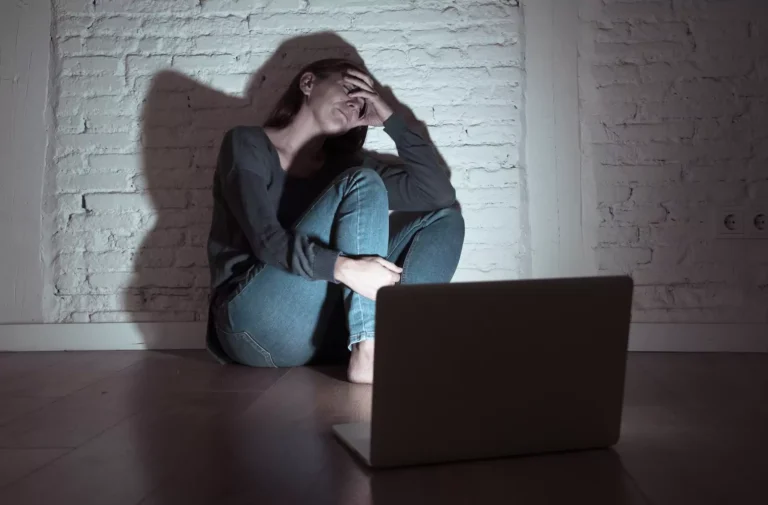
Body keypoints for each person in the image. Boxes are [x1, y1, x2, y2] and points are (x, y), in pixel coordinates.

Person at [205, 58, 465, 383]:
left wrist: (390, 119)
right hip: (254, 321)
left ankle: (392, 340)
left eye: (361, 104)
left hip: (324, 334)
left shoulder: (345, 164)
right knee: (363, 182)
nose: (354, 104)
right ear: (308, 83)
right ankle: (369, 348)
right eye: (349, 89)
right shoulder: (248, 144)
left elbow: (438, 195)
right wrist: (344, 268)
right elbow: (265, 238)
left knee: (446, 217)